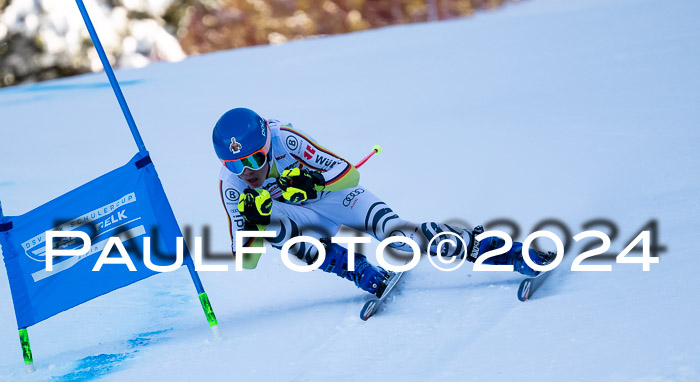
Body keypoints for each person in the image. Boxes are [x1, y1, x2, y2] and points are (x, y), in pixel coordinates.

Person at [213, 108, 552, 296]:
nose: (246, 172)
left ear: (268, 145)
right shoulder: (231, 186)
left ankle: (511, 252)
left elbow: (349, 175)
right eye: (234, 164)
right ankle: (361, 272)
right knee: (270, 225)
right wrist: (253, 226)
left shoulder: (286, 139)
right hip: (301, 219)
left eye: (254, 160)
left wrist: (312, 180)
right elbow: (247, 262)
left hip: (335, 197)